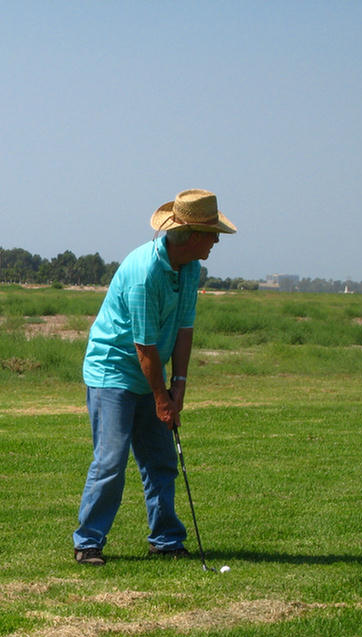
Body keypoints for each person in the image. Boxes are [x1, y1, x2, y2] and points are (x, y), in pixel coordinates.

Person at [72, 189, 236, 565]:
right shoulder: (144, 273)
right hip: (113, 370)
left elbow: (183, 330)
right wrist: (162, 399)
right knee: (111, 460)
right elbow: (143, 347)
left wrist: (179, 386)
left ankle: (165, 540)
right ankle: (88, 542)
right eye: (212, 234)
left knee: (161, 459)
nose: (215, 241)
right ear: (192, 235)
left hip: (151, 374)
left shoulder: (191, 267)